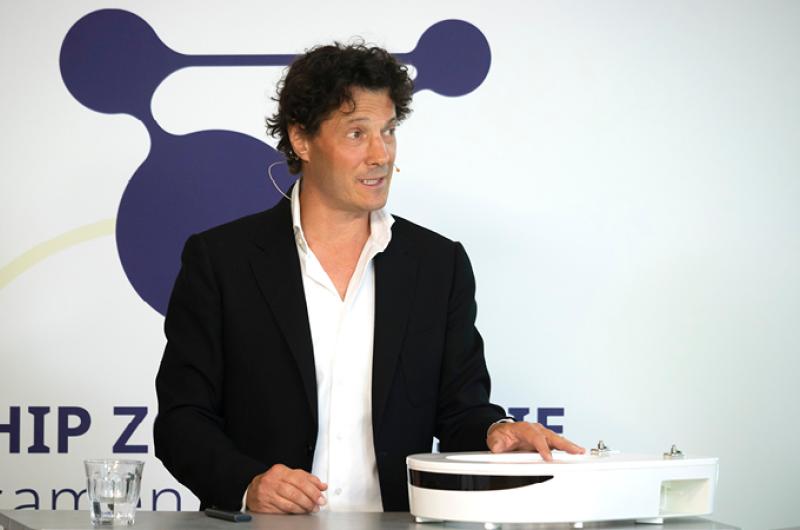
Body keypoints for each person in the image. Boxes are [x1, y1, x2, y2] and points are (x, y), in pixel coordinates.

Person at [153, 42, 583, 515]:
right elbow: (181, 420)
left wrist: (494, 432)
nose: (381, 154)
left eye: (389, 131)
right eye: (357, 133)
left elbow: (460, 410)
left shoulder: (437, 265)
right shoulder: (222, 260)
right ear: (301, 139)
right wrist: (248, 484)